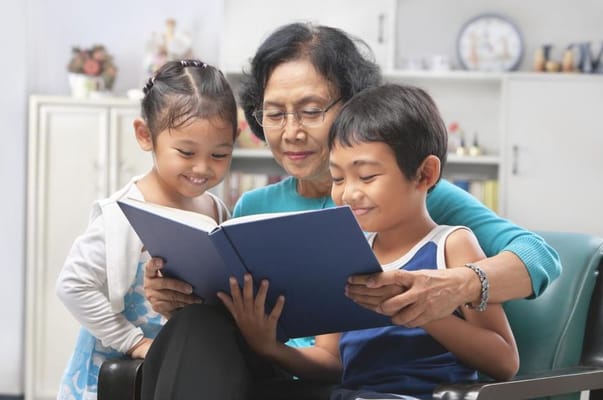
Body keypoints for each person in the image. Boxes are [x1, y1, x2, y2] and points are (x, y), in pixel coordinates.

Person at [140, 23, 560, 399]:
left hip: (346, 385)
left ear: (353, 107)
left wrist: (454, 287)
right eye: (274, 114)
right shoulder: (254, 205)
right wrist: (178, 296)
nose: (292, 131)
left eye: (310, 110)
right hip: (281, 371)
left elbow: (540, 257)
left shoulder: (418, 196)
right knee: (194, 325)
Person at [219, 82, 520, 399]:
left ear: (424, 175)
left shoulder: (452, 245)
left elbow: (504, 362)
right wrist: (270, 348)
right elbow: (331, 361)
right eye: (337, 178)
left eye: (366, 177)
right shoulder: (345, 251)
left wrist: (423, 311)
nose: (348, 193)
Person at [55, 59, 238, 400]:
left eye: (219, 154)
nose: (202, 167)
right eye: (186, 152)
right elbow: (72, 285)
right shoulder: (124, 212)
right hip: (116, 377)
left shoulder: (215, 209)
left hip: (179, 372)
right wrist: (133, 341)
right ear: (145, 135)